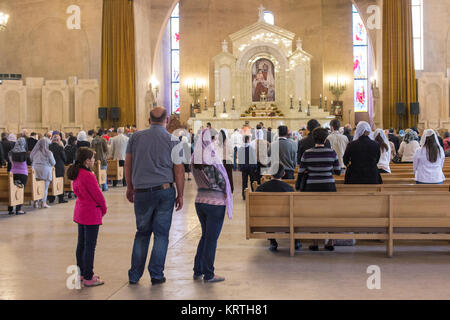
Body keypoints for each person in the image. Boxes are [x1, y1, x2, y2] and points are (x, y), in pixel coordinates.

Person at [126, 107, 184, 286]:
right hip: (164, 191)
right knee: (161, 235)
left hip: (141, 191)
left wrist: (129, 187)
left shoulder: (135, 138)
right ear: (167, 121)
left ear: (148, 120)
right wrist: (180, 194)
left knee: (142, 233)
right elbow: (179, 170)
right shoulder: (174, 140)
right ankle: (156, 274)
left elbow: (128, 164)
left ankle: (135, 275)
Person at [191, 129, 233, 283]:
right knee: (211, 239)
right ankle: (209, 273)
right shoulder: (212, 157)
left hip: (200, 200)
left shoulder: (194, 157)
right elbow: (221, 181)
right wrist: (227, 189)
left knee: (205, 236)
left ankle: (198, 269)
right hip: (215, 203)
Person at [68, 147, 107, 287]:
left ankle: (82, 273)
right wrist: (104, 208)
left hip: (81, 211)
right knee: (90, 247)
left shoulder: (77, 172)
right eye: (91, 158)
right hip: (90, 213)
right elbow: (98, 195)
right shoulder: (88, 175)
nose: (93, 161)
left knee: (82, 244)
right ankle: (89, 277)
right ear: (86, 161)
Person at [296, 127, 341, 251]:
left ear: (313, 139)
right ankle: (330, 241)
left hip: (312, 186)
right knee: (330, 213)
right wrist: (327, 168)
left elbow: (300, 171)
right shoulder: (332, 153)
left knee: (313, 213)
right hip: (329, 186)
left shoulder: (307, 153)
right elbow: (337, 171)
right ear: (326, 139)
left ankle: (315, 242)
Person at [256, 164, 297, 252]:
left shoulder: (260, 188)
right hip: (286, 219)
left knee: (267, 214)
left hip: (268, 220)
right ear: (283, 174)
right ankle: (295, 240)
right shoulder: (289, 189)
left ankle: (272, 241)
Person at [7, 138, 31, 215]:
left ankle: (10, 209)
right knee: (20, 191)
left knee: (11, 189)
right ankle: (18, 209)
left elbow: (9, 163)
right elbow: (29, 162)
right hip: (23, 173)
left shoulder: (11, 152)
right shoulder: (25, 153)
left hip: (13, 172)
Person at [30, 138, 56, 208]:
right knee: (45, 188)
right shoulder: (49, 152)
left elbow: (31, 159)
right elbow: (53, 163)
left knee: (37, 187)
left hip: (35, 170)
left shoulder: (34, 152)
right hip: (45, 170)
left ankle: (36, 202)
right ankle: (43, 203)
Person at [48, 135, 68, 204]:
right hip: (59, 166)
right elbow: (64, 158)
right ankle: (60, 198)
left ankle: (51, 198)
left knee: (51, 181)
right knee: (60, 181)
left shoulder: (48, 147)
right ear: (57, 140)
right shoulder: (60, 147)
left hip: (50, 166)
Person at [238, 135, 258, 200]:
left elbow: (240, 159)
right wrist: (255, 167)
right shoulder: (251, 148)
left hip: (244, 168)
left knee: (244, 182)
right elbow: (254, 158)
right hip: (251, 168)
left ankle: (244, 196)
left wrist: (240, 167)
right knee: (252, 181)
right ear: (247, 140)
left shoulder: (240, 148)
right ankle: (254, 194)